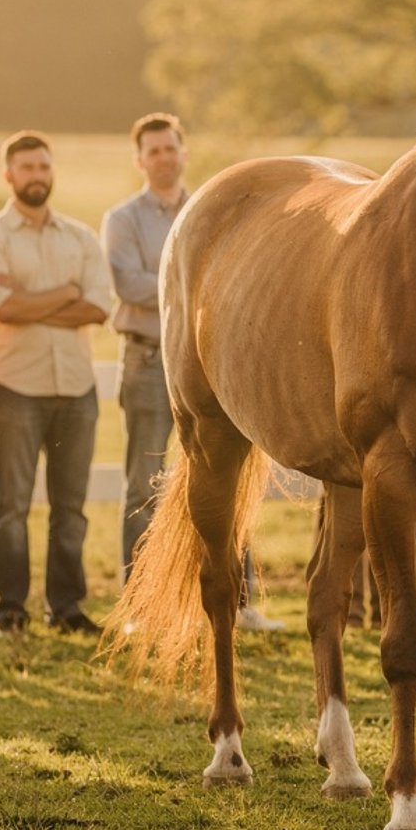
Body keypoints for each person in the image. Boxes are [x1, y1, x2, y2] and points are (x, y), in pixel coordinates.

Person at [103, 113, 281, 632]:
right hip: (147, 360)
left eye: (170, 148)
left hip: (209, 363)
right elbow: (132, 286)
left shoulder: (213, 210)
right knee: (143, 482)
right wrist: (202, 282)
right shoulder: (123, 219)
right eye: (152, 151)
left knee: (230, 474)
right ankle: (141, 606)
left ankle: (239, 600)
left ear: (183, 153)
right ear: (140, 161)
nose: (163, 158)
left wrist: (196, 282)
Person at [0, 131, 111, 638]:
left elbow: (98, 307)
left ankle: (66, 607)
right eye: (26, 168)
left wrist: (33, 300)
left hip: (76, 390)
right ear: (9, 175)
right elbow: (0, 308)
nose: (37, 176)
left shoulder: (80, 237)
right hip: (16, 388)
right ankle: (9, 608)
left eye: (43, 167)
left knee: (70, 509)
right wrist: (64, 296)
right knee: (13, 506)